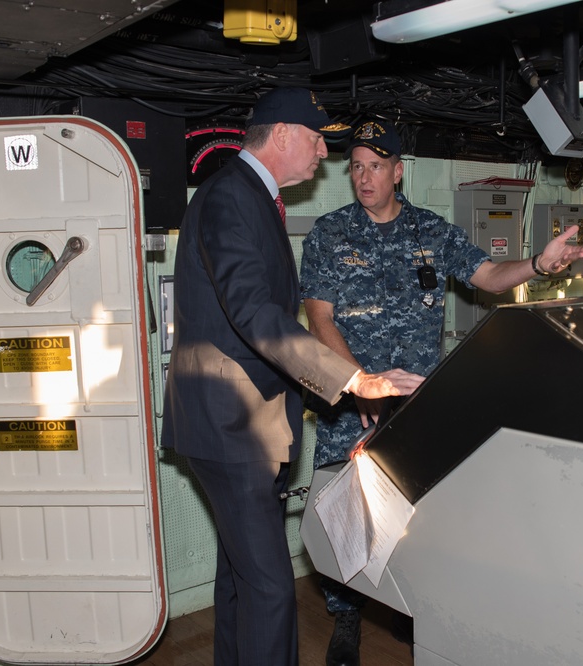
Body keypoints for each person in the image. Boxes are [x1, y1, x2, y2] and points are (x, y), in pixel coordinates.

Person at [299, 119, 583, 666]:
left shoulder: (432, 232)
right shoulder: (329, 235)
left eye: (376, 166)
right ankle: (346, 619)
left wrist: (538, 263)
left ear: (398, 172)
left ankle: (414, 606)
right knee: (347, 515)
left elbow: (488, 276)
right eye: (356, 166)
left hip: (417, 408)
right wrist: (360, 383)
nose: (365, 177)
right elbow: (320, 319)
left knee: (418, 515)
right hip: (353, 405)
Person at [161, 92, 424, 666]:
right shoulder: (232, 196)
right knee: (272, 589)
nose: (325, 153)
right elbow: (256, 315)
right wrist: (355, 380)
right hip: (232, 425)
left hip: (242, 423)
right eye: (316, 138)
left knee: (240, 576)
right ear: (282, 134)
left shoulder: (249, 196)